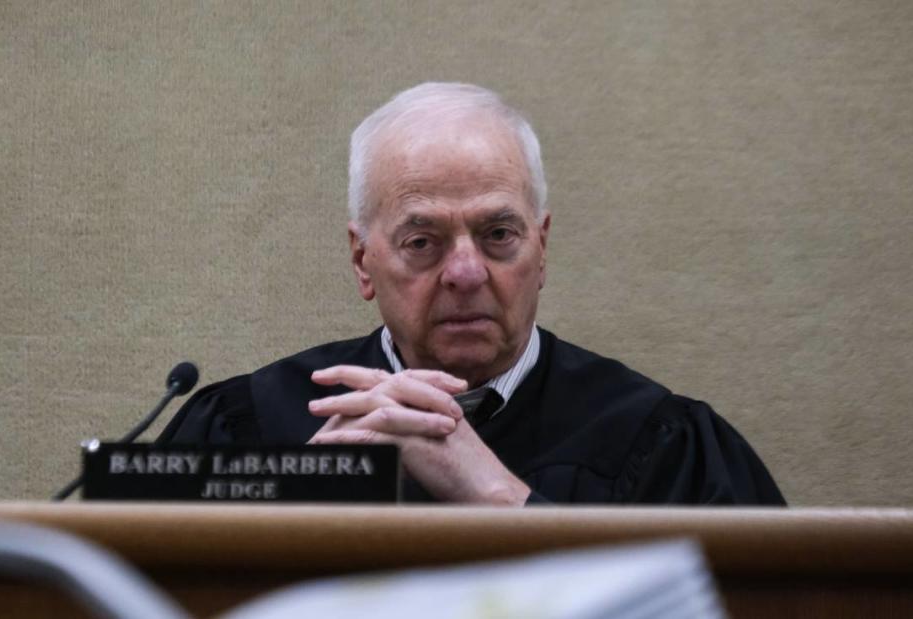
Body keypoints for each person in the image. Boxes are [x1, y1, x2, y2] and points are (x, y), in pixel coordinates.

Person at [160, 82, 785, 507]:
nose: (465, 273)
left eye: (497, 235)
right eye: (423, 241)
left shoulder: (664, 447)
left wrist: (497, 496)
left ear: (541, 249)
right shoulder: (248, 428)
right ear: (362, 261)